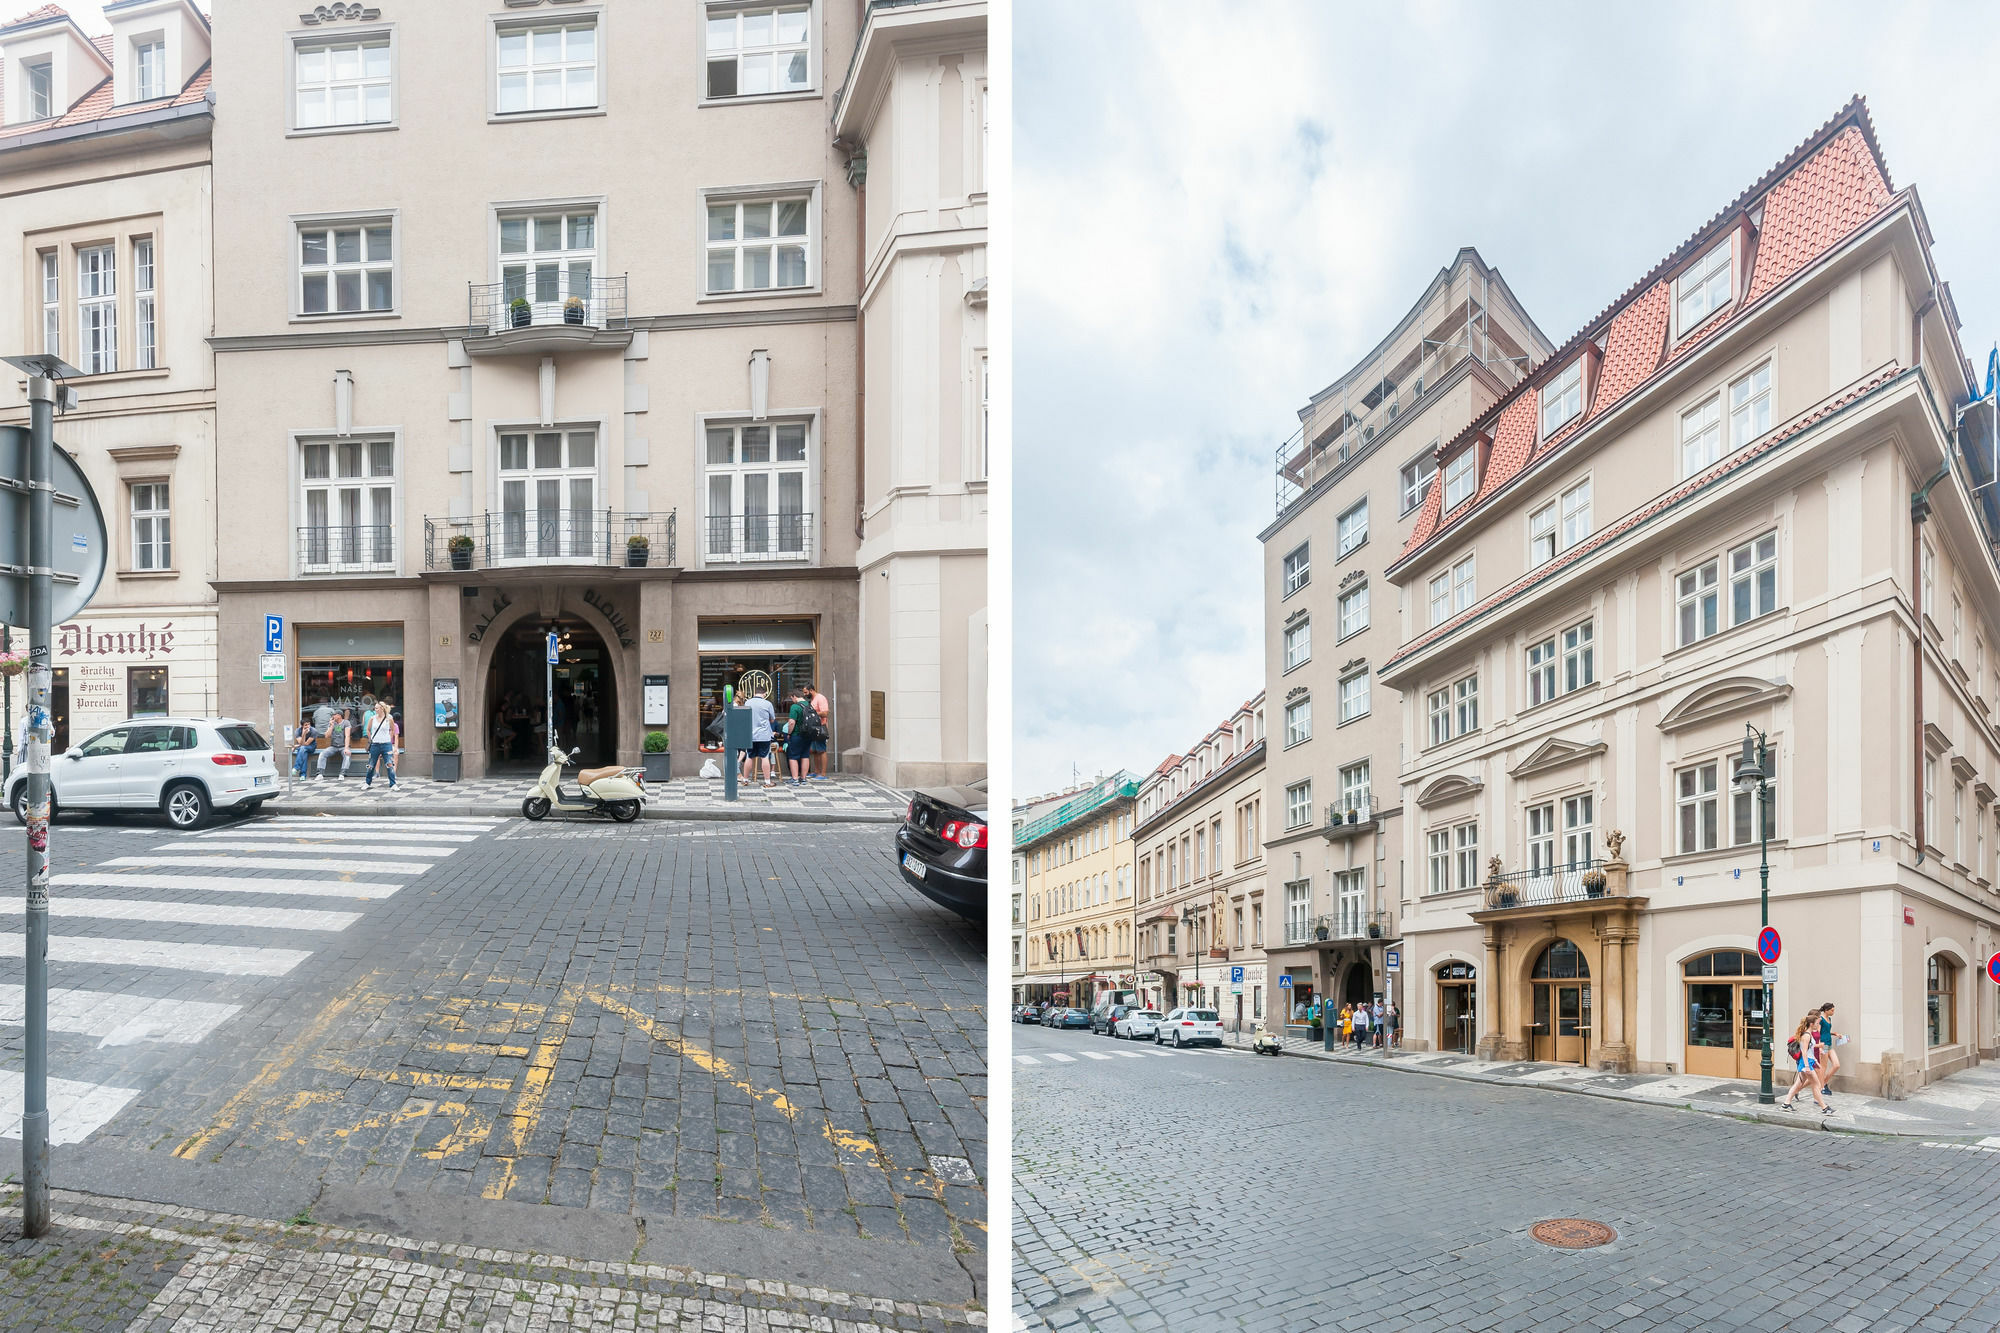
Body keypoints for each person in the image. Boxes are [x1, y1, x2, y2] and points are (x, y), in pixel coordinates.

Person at [1779, 1013, 1832, 1115]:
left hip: (1808, 1063)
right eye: (1817, 1023)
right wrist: (1807, 1066)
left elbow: (1809, 1051)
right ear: (1812, 1024)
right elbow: (1804, 1052)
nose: (1818, 1025)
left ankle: (1786, 1104)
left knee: (1798, 1084)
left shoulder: (1809, 1034)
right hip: (1805, 1064)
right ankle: (1825, 1108)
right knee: (1816, 1085)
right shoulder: (1806, 1036)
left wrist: (1816, 1062)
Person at [745, 685, 777, 787]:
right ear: (764, 694)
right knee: (764, 757)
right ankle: (767, 782)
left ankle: (745, 780)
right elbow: (772, 719)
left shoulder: (748, 702)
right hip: (764, 735)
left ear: (754, 693)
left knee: (749, 757)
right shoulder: (767, 704)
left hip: (750, 735)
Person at [363, 701, 398, 788]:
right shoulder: (372, 718)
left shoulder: (389, 718)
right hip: (375, 744)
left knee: (389, 764)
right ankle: (367, 783)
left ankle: (393, 784)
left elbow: (392, 729)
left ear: (382, 708)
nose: (375, 710)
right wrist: (370, 738)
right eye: (375, 708)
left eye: (377, 708)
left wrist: (389, 738)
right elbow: (368, 729)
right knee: (371, 765)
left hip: (386, 744)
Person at [783, 688, 813, 786]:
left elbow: (791, 722)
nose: (792, 700)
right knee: (805, 755)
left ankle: (795, 778)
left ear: (794, 696)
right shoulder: (809, 705)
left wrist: (789, 733)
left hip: (797, 734)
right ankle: (803, 779)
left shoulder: (795, 707)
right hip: (808, 734)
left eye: (792, 698)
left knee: (793, 756)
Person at [1816, 1003, 1845, 1107]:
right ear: (1827, 1010)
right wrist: (1819, 1046)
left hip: (1829, 1044)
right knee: (1823, 1068)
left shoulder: (1829, 1019)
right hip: (1823, 1045)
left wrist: (1835, 1034)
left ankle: (1823, 1083)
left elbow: (1826, 1031)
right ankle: (1819, 1090)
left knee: (1836, 1065)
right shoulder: (1820, 1019)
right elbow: (1818, 1033)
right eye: (1832, 1010)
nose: (1834, 1012)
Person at [808, 682, 831, 779]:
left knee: (821, 750)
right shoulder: (813, 699)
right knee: (814, 750)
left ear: (811, 690)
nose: (805, 694)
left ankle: (823, 773)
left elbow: (825, 713)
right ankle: (816, 771)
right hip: (814, 727)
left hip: (820, 727)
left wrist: (813, 713)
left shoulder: (820, 698)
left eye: (806, 692)